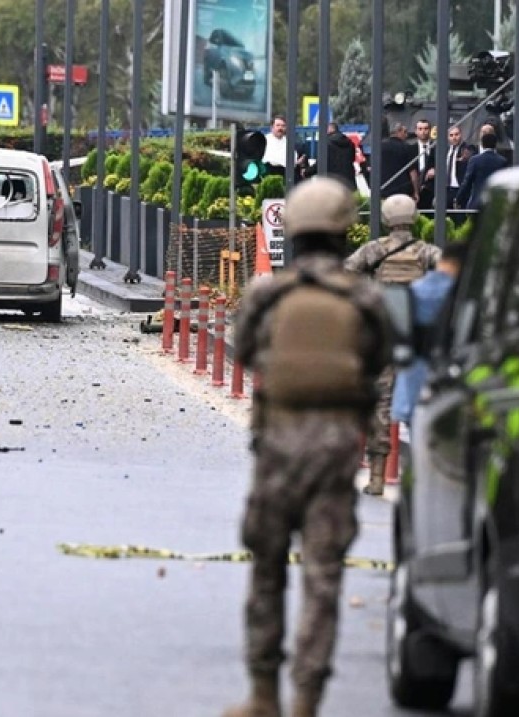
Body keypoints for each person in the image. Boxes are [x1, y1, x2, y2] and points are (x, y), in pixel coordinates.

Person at [226, 177, 391, 717]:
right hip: (337, 449)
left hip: (277, 446)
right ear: (345, 232)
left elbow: (241, 348)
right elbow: (383, 357)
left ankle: (263, 694)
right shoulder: (363, 297)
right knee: (323, 577)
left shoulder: (270, 293)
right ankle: (306, 700)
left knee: (267, 568)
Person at [343, 194, 440, 496]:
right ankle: (424, 480)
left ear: (386, 219)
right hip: (418, 339)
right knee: (425, 404)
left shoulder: (374, 250)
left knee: (380, 405)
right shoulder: (427, 253)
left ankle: (376, 478)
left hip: (384, 337)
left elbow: (346, 273)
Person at [391, 239, 466, 428]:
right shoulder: (463, 294)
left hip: (411, 388)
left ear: (442, 261)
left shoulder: (413, 291)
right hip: (448, 390)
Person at [455, 132, 508, 211]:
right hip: (495, 204)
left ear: (482, 144)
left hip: (477, 203)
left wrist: (458, 199)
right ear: (495, 144)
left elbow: (467, 182)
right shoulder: (502, 161)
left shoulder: (475, 160)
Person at [380, 121, 418, 201]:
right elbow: (412, 172)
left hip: (384, 190)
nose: (406, 135)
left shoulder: (380, 147)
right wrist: (416, 192)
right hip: (403, 191)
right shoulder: (407, 148)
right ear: (400, 132)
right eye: (405, 132)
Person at [323, 122, 356, 189]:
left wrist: (307, 171)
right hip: (348, 179)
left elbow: (322, 161)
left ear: (330, 129)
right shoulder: (349, 142)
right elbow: (352, 158)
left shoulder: (327, 143)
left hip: (332, 180)